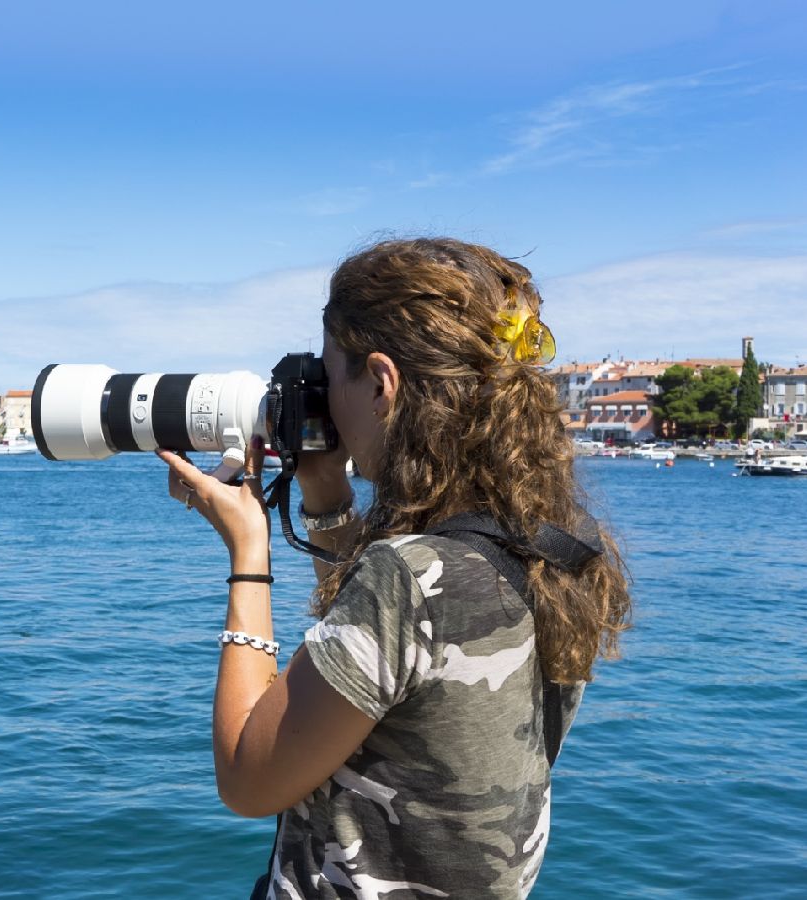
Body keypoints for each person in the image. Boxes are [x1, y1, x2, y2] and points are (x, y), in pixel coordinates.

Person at [158, 238, 632, 899]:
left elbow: (248, 780)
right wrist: (327, 500)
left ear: (382, 384)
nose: (325, 401)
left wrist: (248, 554)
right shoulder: (556, 547)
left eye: (331, 377)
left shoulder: (410, 577)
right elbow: (394, 662)